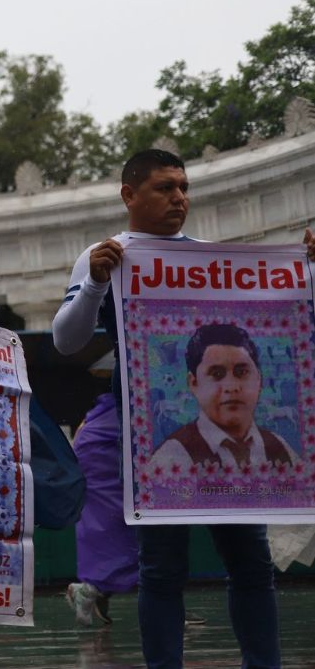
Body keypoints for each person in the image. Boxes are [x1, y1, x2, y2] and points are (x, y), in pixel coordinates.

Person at [52, 148, 315, 667]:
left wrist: (308, 273)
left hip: (227, 445)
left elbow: (284, 322)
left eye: (183, 187)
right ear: (129, 194)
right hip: (151, 440)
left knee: (250, 563)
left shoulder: (207, 257)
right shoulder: (106, 255)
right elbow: (65, 341)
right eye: (164, 187)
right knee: (163, 568)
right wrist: (95, 285)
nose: (179, 198)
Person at [148, 323, 295, 471]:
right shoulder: (171, 458)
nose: (231, 387)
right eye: (217, 374)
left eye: (242, 372)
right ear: (193, 383)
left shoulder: (283, 450)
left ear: (259, 380)